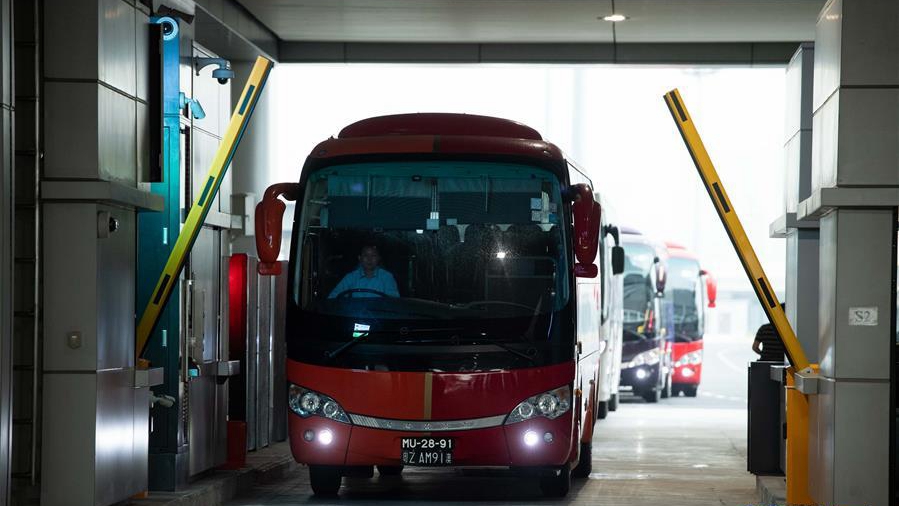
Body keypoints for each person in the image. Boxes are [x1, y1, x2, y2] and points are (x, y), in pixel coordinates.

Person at [328, 245, 400, 298]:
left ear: (378, 258)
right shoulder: (350, 277)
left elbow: (393, 301)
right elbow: (333, 298)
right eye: (366, 255)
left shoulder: (387, 277)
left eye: (373, 256)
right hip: (354, 315)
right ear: (360, 258)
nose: (369, 259)